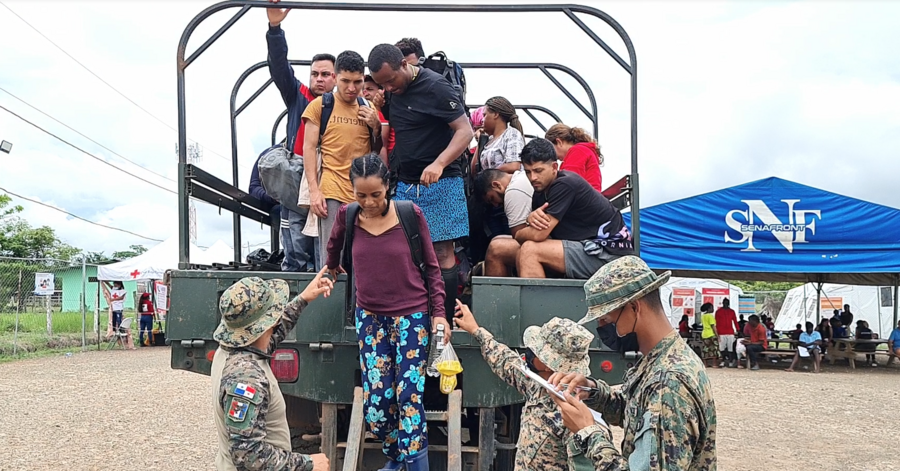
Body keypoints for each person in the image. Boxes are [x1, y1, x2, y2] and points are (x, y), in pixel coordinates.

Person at [325, 154, 451, 471]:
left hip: (412, 317)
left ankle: (416, 465)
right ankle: (395, 456)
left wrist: (439, 313)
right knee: (377, 406)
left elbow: (433, 268)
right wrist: (330, 268)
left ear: (388, 188)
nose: (368, 202)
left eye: (376, 194)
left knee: (408, 395)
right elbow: (334, 247)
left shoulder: (410, 214)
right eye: (361, 195)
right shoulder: (347, 215)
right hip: (370, 320)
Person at [546, 256, 716, 470]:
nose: (605, 331)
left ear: (634, 308)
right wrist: (591, 391)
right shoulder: (662, 359)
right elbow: (637, 412)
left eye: (606, 320)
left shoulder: (668, 384)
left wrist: (588, 432)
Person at [368, 44, 474, 321]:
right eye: (382, 84)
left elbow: (465, 131)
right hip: (405, 183)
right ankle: (412, 314)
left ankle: (445, 318)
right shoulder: (393, 93)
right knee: (403, 251)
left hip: (442, 182)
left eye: (390, 80)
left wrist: (439, 163)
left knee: (441, 252)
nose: (388, 88)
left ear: (404, 63)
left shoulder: (436, 87)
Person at [210, 271, 333, 471]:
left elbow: (269, 336)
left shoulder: (230, 350)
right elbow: (248, 454)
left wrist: (303, 299)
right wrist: (308, 464)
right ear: (268, 323)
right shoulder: (247, 378)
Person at [454, 301, 592, 471]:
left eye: (536, 350)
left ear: (548, 363)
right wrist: (476, 330)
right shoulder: (537, 385)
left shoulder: (573, 417)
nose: (530, 351)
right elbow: (506, 361)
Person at [491, 138, 629, 279]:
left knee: (529, 250)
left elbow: (538, 235)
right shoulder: (539, 193)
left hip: (609, 254)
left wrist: (521, 231)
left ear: (554, 168)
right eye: (528, 172)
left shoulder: (564, 184)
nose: (533, 178)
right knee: (500, 248)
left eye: (538, 171)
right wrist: (530, 223)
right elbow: (540, 235)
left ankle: (538, 301)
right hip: (586, 247)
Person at [266, 0, 335, 271]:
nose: (319, 78)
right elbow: (279, 66)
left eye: (326, 74)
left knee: (327, 250)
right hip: (296, 178)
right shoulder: (298, 95)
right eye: (315, 74)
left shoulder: (345, 106)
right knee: (295, 247)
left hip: (329, 177)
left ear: (336, 77)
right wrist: (275, 28)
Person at [302, 50, 383, 267]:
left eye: (357, 82)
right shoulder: (320, 106)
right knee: (331, 258)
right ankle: (333, 300)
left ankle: (358, 301)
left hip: (362, 193)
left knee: (362, 258)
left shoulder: (368, 108)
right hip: (331, 189)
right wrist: (314, 191)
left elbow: (376, 151)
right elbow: (308, 148)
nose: (351, 88)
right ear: (335, 77)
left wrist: (376, 126)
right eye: (345, 81)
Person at [544, 124, 603, 192]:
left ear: (559, 142)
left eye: (552, 150)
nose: (554, 157)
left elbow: (568, 182)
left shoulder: (577, 151)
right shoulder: (583, 151)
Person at [475, 96, 525, 174]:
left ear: (495, 114)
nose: (482, 120)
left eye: (485, 115)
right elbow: (474, 171)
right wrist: (480, 141)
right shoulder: (489, 140)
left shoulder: (511, 134)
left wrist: (488, 175)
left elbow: (514, 166)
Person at [714, 298, 739, 367]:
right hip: (721, 332)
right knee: (722, 348)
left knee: (730, 347)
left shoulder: (732, 311)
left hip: (730, 332)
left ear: (729, 303)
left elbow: (735, 321)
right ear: (723, 303)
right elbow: (716, 322)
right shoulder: (718, 312)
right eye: (725, 302)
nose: (726, 304)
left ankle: (730, 361)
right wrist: (717, 333)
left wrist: (738, 329)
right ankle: (723, 361)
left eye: (727, 302)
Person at [699, 303, 719, 368]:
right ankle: (714, 364)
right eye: (712, 307)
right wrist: (717, 335)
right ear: (709, 308)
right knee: (714, 349)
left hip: (704, 334)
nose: (713, 309)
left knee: (705, 349)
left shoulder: (703, 316)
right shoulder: (710, 316)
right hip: (711, 334)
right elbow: (713, 326)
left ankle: (705, 364)